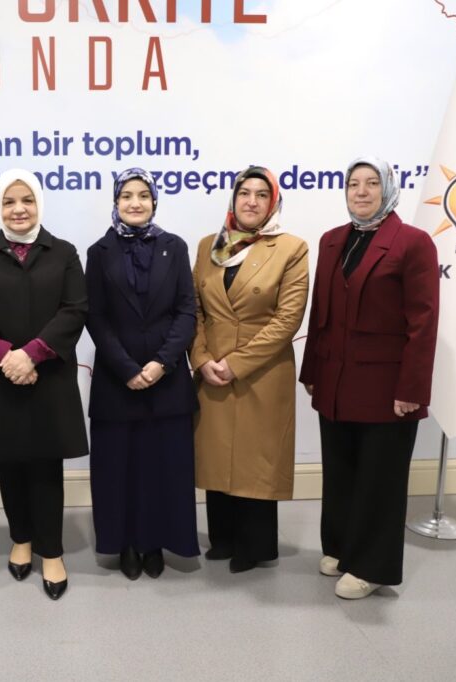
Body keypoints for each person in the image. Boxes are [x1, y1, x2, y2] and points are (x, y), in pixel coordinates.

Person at [299, 157, 439, 599]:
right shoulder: (331, 240)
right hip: (335, 381)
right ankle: (341, 549)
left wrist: (412, 390)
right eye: (353, 184)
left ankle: (372, 567)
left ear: (388, 188)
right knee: (340, 470)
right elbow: (320, 313)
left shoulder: (413, 243)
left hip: (387, 388)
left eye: (371, 183)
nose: (360, 192)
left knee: (380, 479)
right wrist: (311, 370)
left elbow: (424, 323)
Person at [0, 169, 88, 600]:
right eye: (9, 201)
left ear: (39, 204)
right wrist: (4, 355)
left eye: (27, 200)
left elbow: (74, 309)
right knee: (10, 463)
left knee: (47, 464)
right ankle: (21, 539)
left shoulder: (63, 252)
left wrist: (31, 354)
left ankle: (52, 551)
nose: (18, 209)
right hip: (0, 378)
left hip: (48, 376)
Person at [190, 165, 309, 574]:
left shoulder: (291, 248)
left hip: (262, 370)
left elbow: (287, 319)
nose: (252, 201)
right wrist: (201, 359)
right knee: (217, 456)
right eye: (244, 193)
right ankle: (222, 538)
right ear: (233, 198)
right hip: (211, 369)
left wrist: (236, 363)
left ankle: (254, 546)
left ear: (272, 203)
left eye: (262, 194)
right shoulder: (209, 246)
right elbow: (194, 310)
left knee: (256, 461)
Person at [85, 168, 199, 580]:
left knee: (163, 466)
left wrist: (162, 363)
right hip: (117, 381)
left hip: (167, 379)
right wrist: (128, 369)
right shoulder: (99, 251)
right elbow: (95, 316)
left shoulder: (175, 246)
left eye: (143, 195)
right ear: (115, 202)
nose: (135, 202)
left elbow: (187, 310)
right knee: (120, 469)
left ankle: (156, 543)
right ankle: (126, 544)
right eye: (126, 195)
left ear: (154, 201)